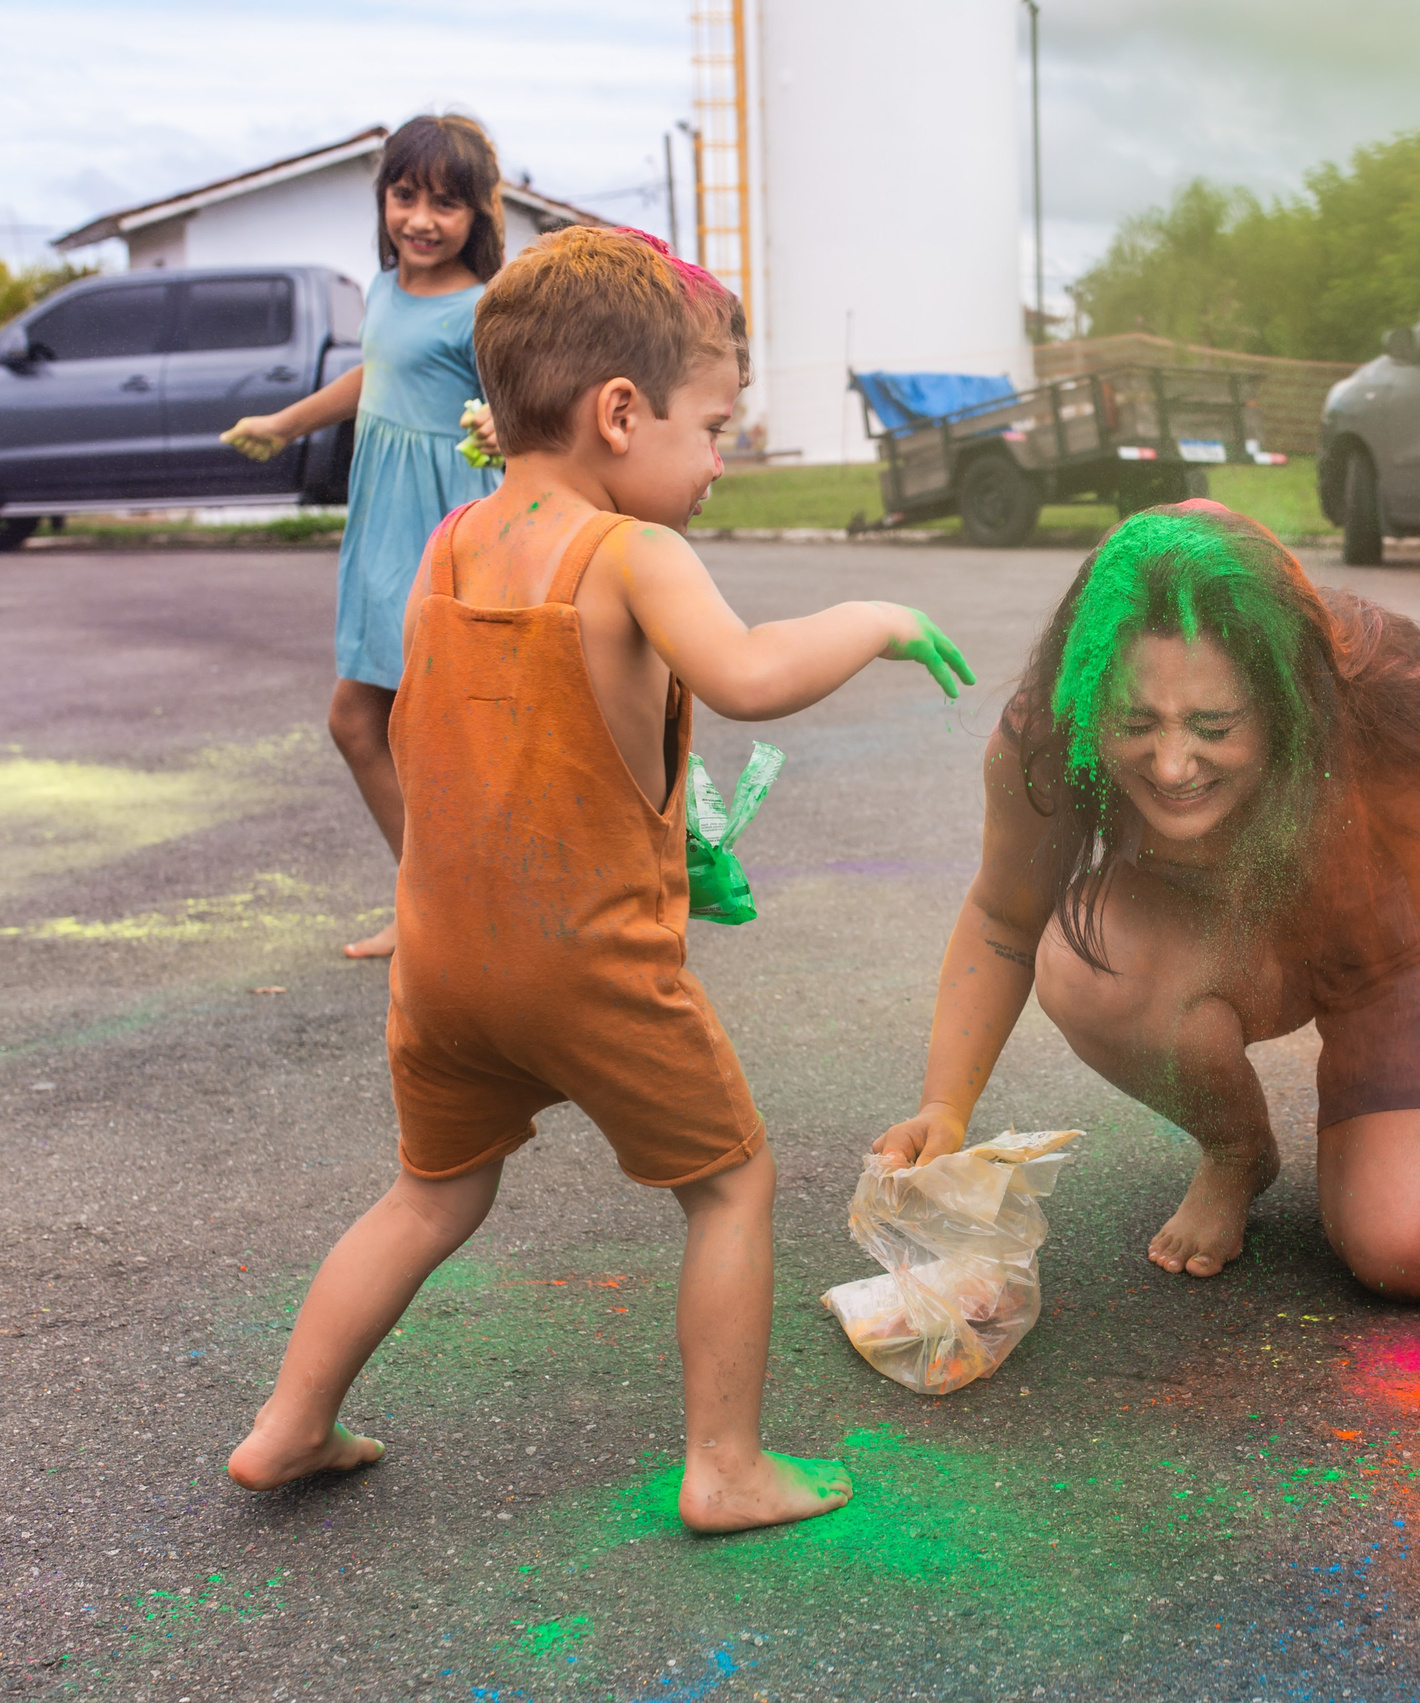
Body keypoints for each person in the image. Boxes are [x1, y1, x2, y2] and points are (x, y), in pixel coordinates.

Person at [226, 226, 975, 1532]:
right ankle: (727, 1465)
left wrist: (665, 816)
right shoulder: (632, 554)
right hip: (589, 965)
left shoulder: (452, 545)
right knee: (731, 1180)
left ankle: (287, 1424)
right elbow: (743, 671)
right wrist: (876, 619)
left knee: (432, 1191)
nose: (720, 454)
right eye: (715, 424)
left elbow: (458, 744)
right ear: (619, 413)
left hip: (448, 962)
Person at [873, 502, 1420, 1387]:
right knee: (1089, 963)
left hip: (1405, 947)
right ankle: (1238, 1149)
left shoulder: (1398, 717)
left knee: (1415, 1253)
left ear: (1286, 697)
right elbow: (1006, 920)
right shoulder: (1051, 726)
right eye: (1136, 723)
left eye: (1212, 727)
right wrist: (945, 1105)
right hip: (1232, 923)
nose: (1169, 765)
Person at [224, 114, 508, 960]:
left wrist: (504, 420)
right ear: (384, 198)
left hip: (449, 524)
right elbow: (374, 373)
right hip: (380, 521)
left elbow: (527, 390)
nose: (420, 218)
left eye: (445, 204)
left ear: (477, 216)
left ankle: (458, 907)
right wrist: (283, 423)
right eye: (405, 194)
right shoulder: (384, 292)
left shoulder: (481, 305)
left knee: (408, 724)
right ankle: (439, 902)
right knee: (365, 721)